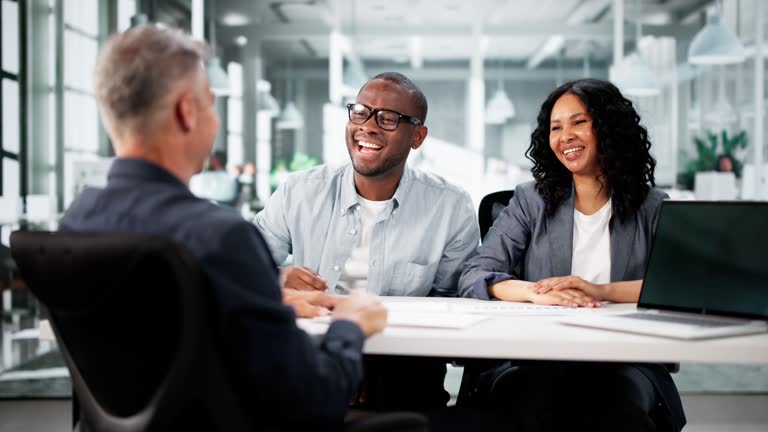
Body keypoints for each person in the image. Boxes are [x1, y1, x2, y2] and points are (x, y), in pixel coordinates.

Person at [59, 24, 387, 429]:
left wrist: (261, 296)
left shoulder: (76, 224)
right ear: (187, 112)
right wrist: (350, 325)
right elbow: (311, 402)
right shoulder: (221, 237)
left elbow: (158, 323)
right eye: (212, 105)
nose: (215, 122)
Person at [458, 79, 686, 431]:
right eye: (556, 127)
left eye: (579, 122)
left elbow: (674, 287)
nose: (565, 137)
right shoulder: (530, 201)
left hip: (624, 357)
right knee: (531, 404)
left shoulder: (652, 205)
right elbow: (475, 274)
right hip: (535, 355)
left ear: (609, 128)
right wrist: (535, 292)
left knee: (616, 413)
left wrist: (599, 290)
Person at [254, 72, 480, 410]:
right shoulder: (299, 192)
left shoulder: (451, 206)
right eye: (360, 112)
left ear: (417, 136)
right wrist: (275, 277)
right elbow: (240, 272)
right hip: (308, 359)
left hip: (402, 370)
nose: (368, 126)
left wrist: (374, 356)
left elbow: (454, 306)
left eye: (388, 118)